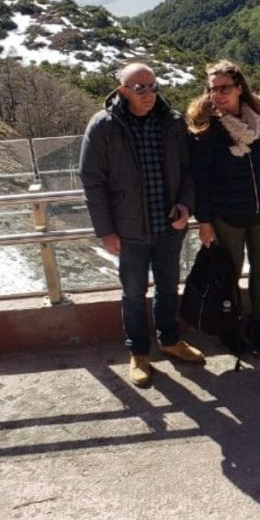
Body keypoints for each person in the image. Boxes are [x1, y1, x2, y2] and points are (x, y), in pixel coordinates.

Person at [79, 62, 205, 387]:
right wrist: (105, 231)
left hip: (168, 227)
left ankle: (170, 340)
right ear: (123, 91)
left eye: (152, 86)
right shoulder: (103, 126)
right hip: (128, 231)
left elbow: (189, 170)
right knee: (133, 293)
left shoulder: (172, 122)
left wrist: (185, 206)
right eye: (139, 89)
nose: (148, 94)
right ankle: (138, 352)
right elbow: (92, 182)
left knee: (167, 287)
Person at [186, 59, 260, 356]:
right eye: (212, 89)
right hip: (226, 217)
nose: (218, 94)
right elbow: (199, 181)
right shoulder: (208, 131)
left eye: (225, 88)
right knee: (229, 275)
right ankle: (231, 328)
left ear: (240, 87)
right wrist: (204, 221)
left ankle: (258, 325)